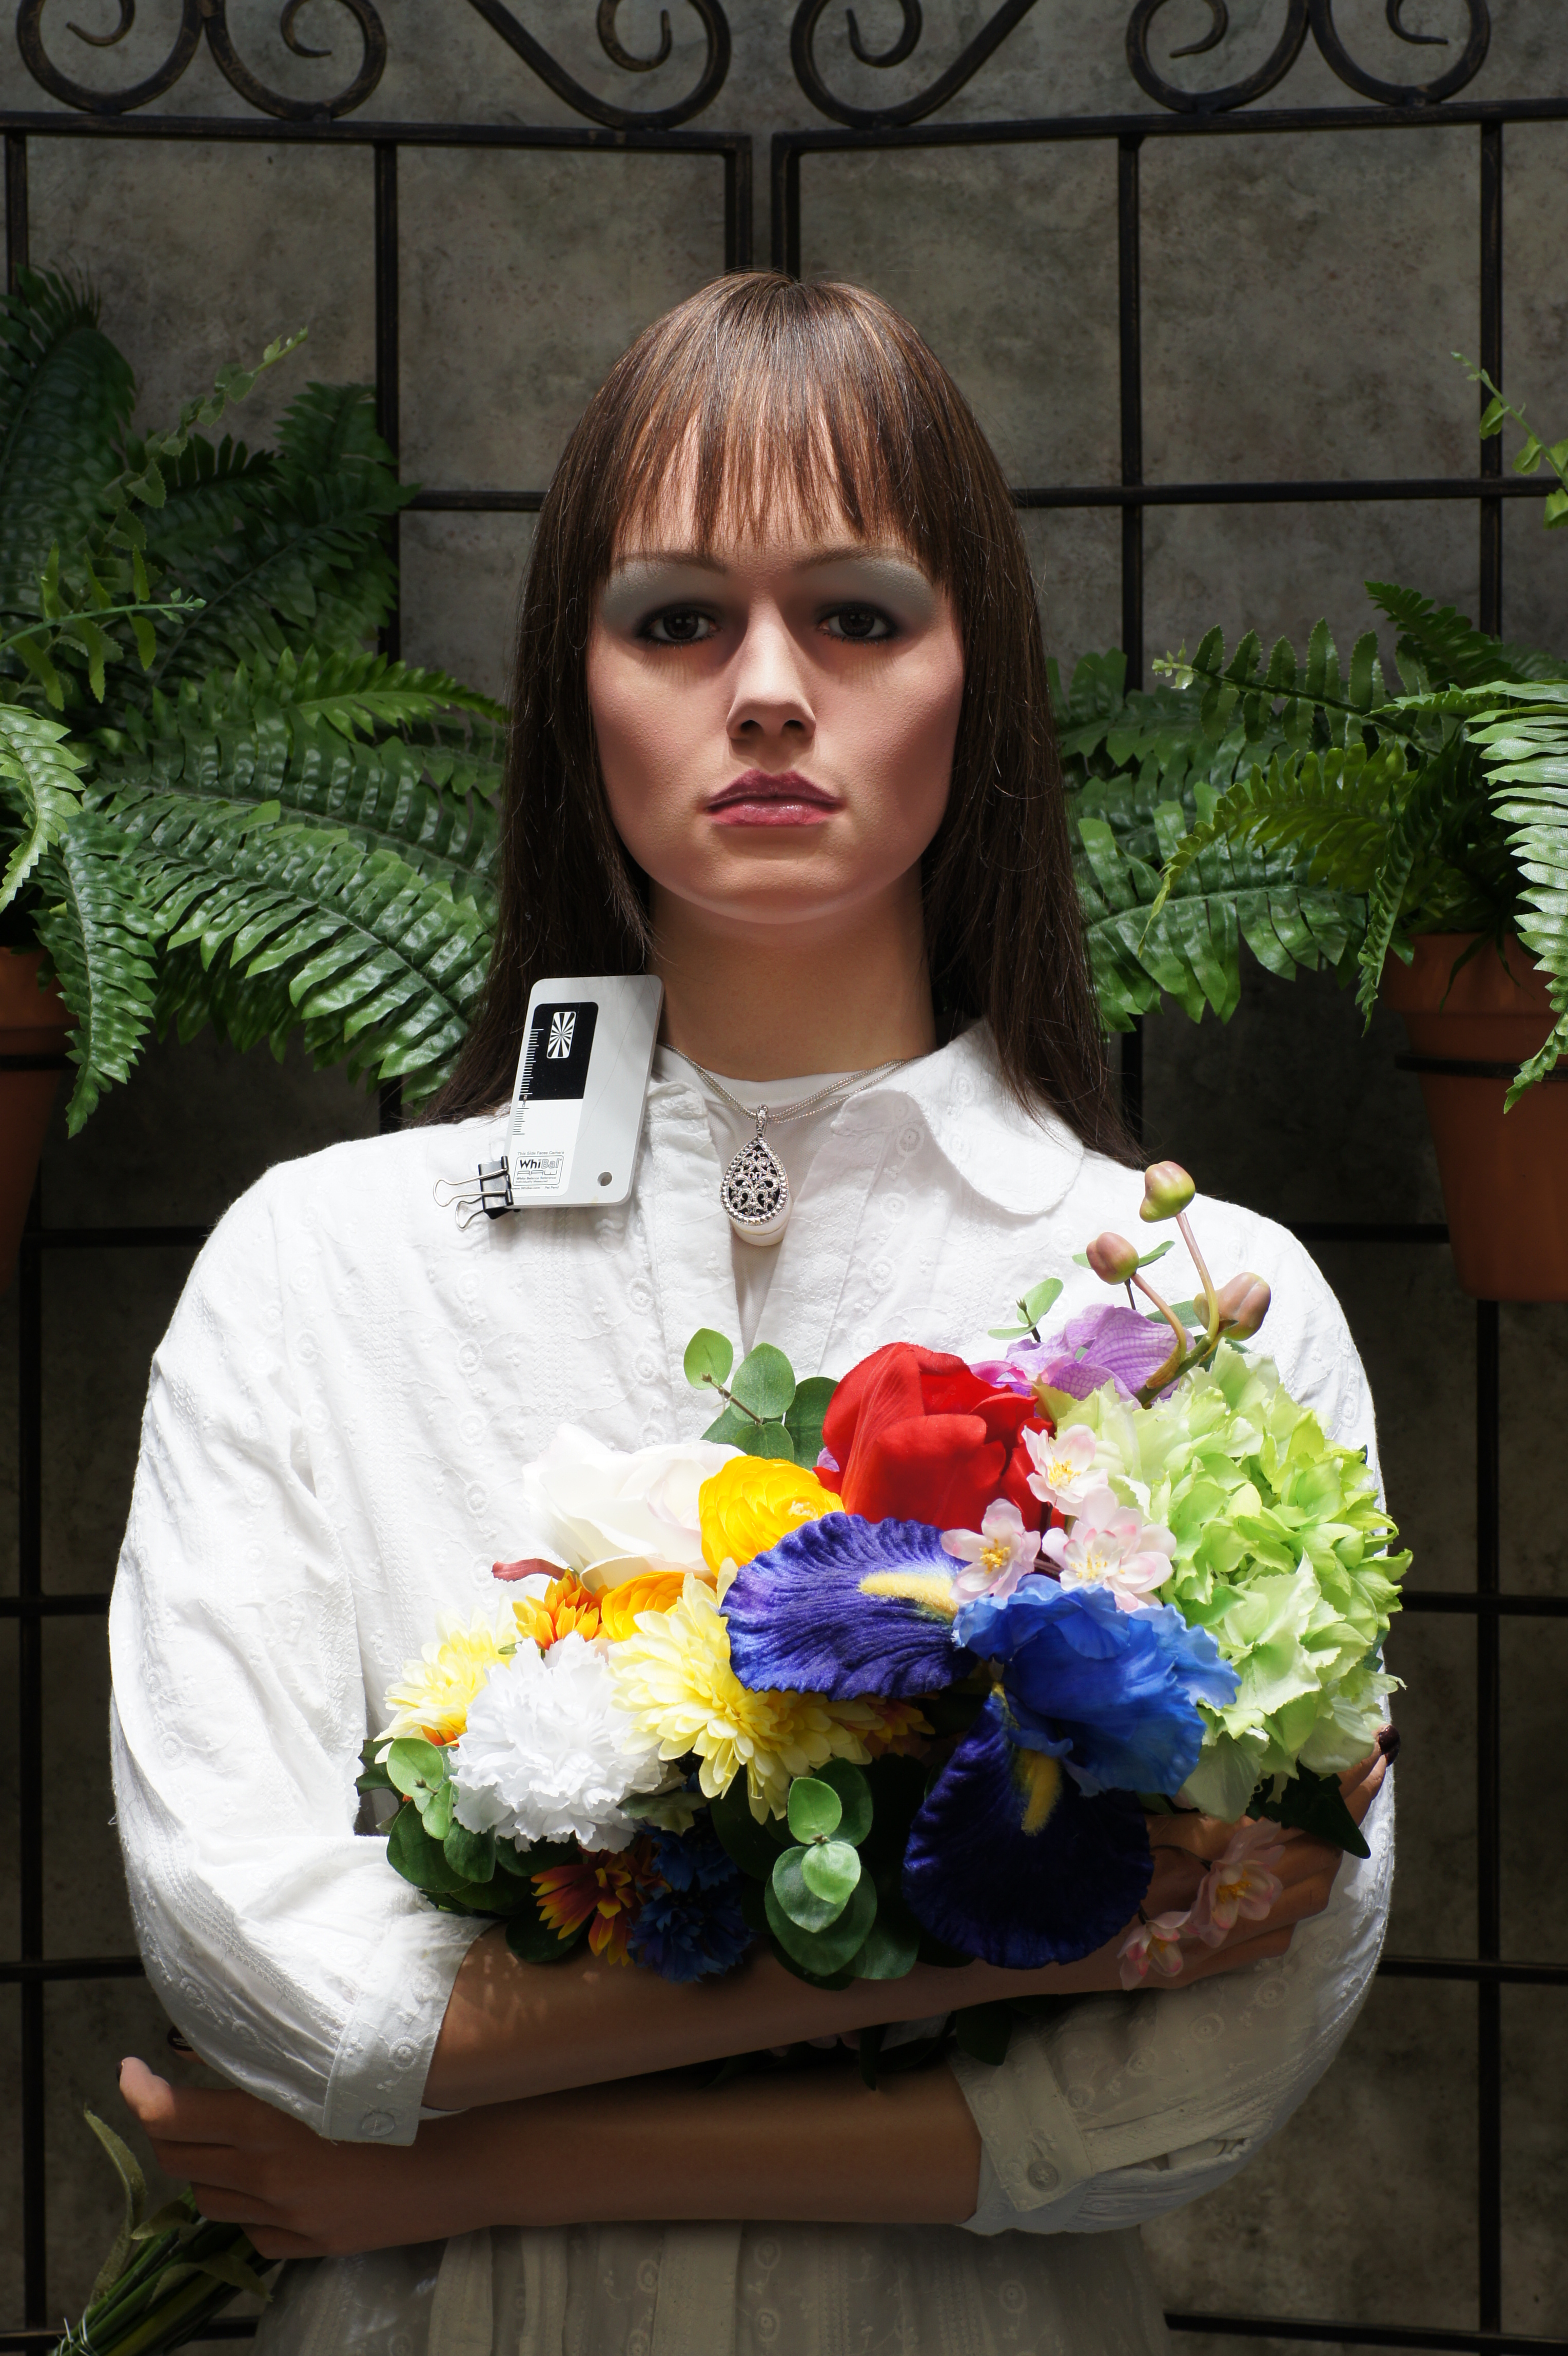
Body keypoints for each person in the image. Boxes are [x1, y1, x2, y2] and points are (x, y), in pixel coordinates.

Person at [112, 273, 1394, 2356]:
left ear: (977, 677)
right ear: (576, 681)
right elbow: (264, 1966)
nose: (772, 691)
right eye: (681, 619)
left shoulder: (1193, 1312)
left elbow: (1200, 2085)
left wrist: (485, 2159)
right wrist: (1033, 1943)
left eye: (860, 615)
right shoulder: (318, 1272)